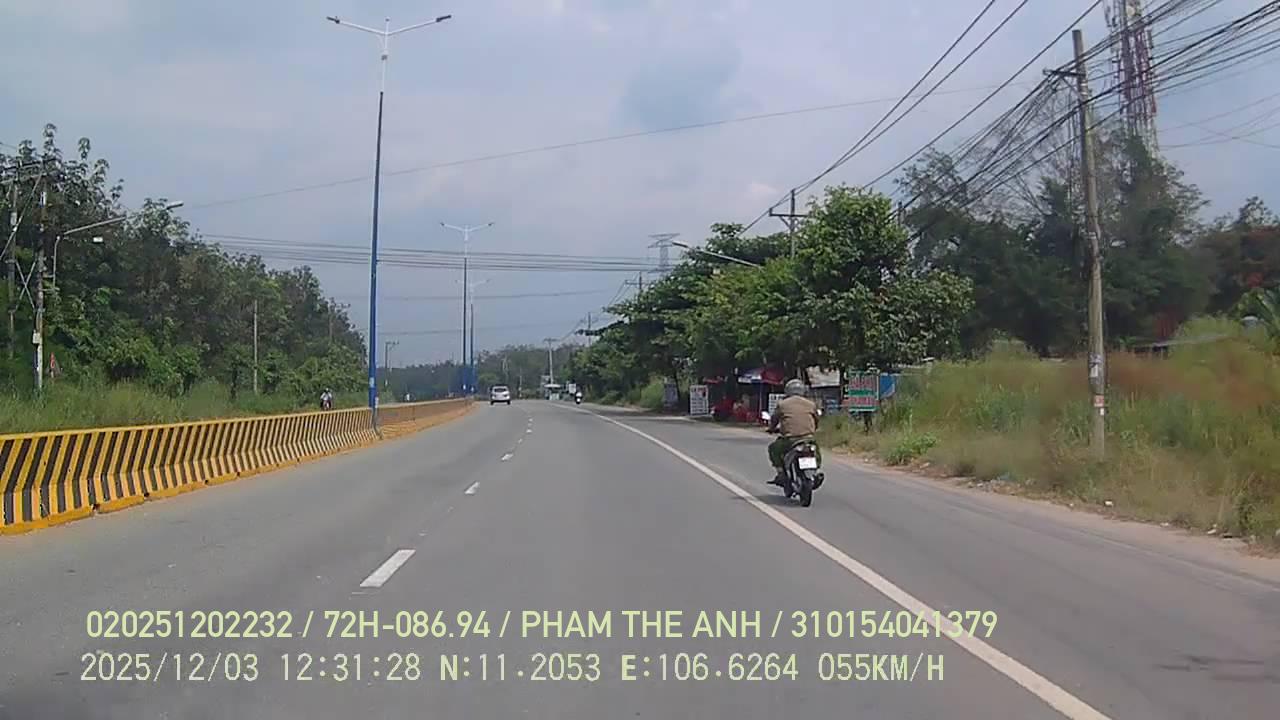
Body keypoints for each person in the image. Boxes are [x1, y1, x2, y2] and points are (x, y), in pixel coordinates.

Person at [767, 379, 822, 485]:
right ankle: (816, 470)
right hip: (808, 438)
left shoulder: (782, 404)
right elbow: (816, 419)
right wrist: (814, 429)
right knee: (816, 451)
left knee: (773, 449)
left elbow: (774, 419)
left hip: (790, 439)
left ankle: (780, 472)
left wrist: (771, 428)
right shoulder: (810, 404)